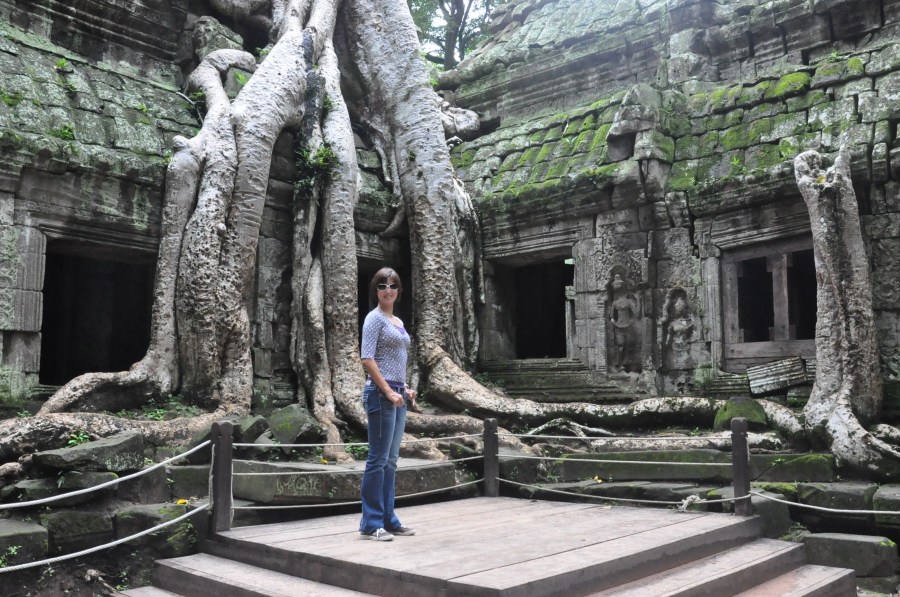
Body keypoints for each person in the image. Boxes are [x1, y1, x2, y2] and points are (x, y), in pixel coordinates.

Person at [358, 267, 417, 541]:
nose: (388, 290)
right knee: (378, 460)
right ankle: (371, 524)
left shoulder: (398, 321)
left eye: (393, 285)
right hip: (381, 395)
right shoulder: (374, 319)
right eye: (382, 286)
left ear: (399, 290)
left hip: (397, 394)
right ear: (376, 291)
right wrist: (388, 390)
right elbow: (367, 358)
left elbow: (394, 359)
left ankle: (388, 519)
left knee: (391, 461)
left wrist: (404, 388)